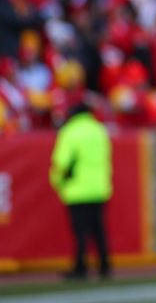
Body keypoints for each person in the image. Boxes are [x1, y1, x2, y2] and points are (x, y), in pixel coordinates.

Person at [50, 101, 113, 280]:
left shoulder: (70, 132)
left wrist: (57, 182)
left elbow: (62, 161)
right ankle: (104, 265)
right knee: (99, 230)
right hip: (100, 188)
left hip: (77, 189)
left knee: (80, 233)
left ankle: (81, 267)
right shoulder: (99, 130)